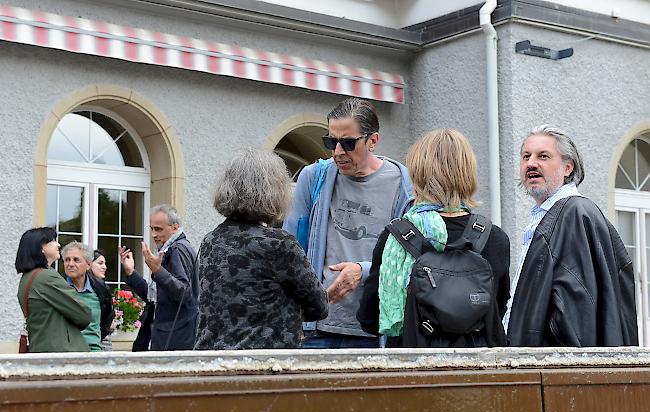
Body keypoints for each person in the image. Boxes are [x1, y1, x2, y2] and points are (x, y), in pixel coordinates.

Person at [357, 129, 509, 347]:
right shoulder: (494, 238)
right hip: (477, 372)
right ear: (468, 172)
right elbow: (497, 310)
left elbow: (370, 319)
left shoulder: (396, 238)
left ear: (417, 173)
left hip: (415, 372)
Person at [283, 97, 413, 348]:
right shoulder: (314, 177)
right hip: (316, 329)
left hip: (377, 331)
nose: (338, 152)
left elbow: (408, 259)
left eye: (348, 143)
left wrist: (363, 270)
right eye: (331, 141)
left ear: (373, 141)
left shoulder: (403, 184)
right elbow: (291, 248)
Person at [503, 124, 638, 346]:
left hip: (553, 368)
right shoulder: (552, 215)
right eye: (526, 156)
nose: (531, 163)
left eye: (543, 156)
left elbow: (577, 314)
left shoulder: (574, 214)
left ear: (567, 168)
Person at [194, 149, 328, 350]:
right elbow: (319, 307)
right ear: (275, 191)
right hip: (261, 367)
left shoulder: (210, 240)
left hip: (212, 363)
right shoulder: (279, 244)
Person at [119, 204, 199, 351]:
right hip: (165, 338)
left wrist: (158, 271)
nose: (154, 234)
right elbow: (155, 299)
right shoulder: (168, 249)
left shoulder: (178, 249)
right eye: (152, 229)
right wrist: (131, 272)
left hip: (175, 341)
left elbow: (184, 294)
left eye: (158, 229)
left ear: (174, 228)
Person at [15, 228, 91, 352]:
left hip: (44, 349)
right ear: (41, 248)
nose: (58, 244)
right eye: (53, 241)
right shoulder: (46, 277)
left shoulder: (28, 277)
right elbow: (84, 314)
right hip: (61, 354)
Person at [62, 242, 115, 351]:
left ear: (88, 265)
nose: (70, 264)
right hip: (66, 354)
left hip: (94, 353)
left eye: (76, 260)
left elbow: (107, 319)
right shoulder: (58, 288)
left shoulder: (100, 289)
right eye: (67, 260)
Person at [91, 249, 116, 351]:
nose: (104, 267)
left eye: (105, 263)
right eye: (100, 263)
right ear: (89, 264)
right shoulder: (87, 289)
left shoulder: (103, 287)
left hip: (104, 339)